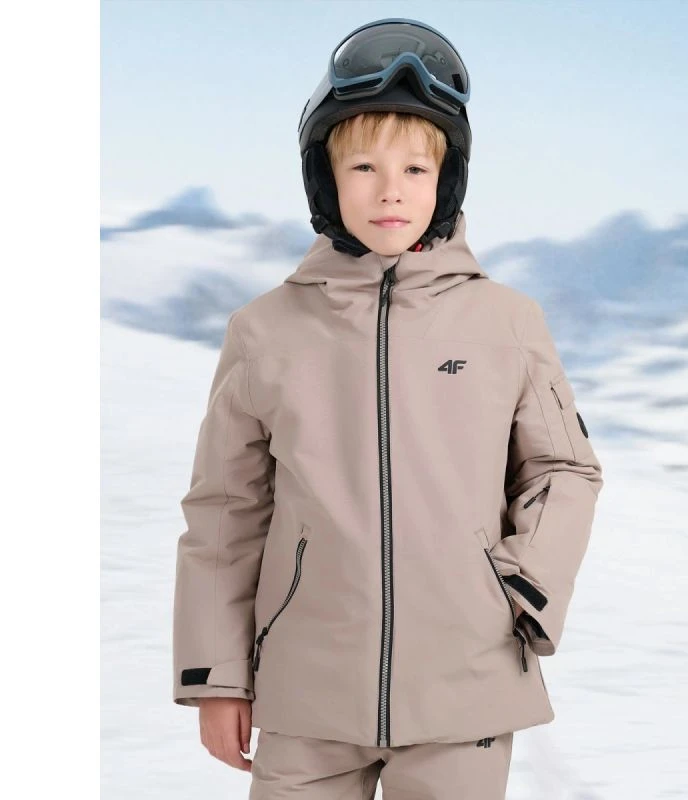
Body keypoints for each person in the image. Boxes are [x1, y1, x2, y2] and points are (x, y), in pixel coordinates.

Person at [172, 17, 604, 800]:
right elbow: (226, 511)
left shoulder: (506, 323)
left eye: (415, 167)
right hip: (306, 693)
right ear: (325, 180)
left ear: (448, 181)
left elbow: (563, 470)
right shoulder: (264, 331)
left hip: (465, 687)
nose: (391, 189)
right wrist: (216, 677)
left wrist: (522, 591)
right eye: (363, 166)